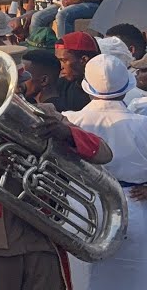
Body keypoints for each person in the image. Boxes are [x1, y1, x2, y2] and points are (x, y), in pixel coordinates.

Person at [0, 53, 110, 290]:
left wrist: (67, 134)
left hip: (42, 233)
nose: (14, 94)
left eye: (17, 86)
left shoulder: (44, 113)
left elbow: (102, 152)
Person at [61, 54, 147, 290]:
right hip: (133, 207)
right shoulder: (143, 125)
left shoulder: (68, 121)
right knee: (132, 279)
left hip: (81, 207)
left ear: (86, 87)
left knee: (84, 280)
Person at [56, 31, 101, 111]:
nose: (61, 67)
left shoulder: (103, 91)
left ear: (84, 60)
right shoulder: (62, 85)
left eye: (64, 60)